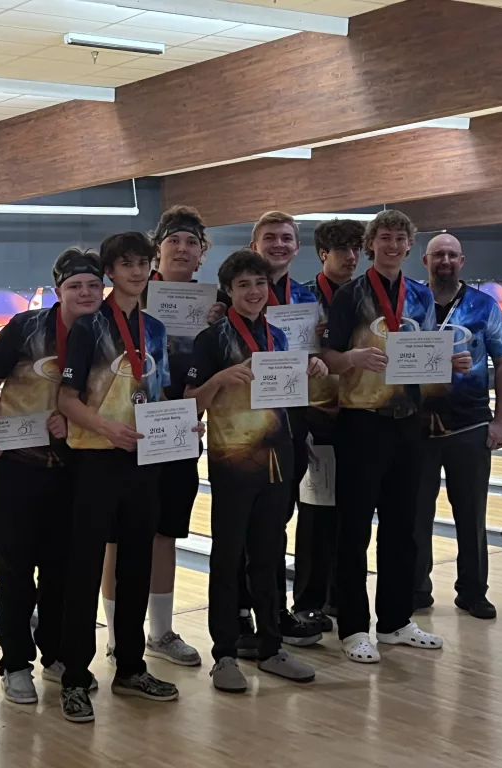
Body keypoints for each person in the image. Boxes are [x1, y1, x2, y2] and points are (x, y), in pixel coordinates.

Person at [319, 210, 471, 665]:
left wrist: (451, 364)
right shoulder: (350, 295)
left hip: (408, 422)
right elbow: (325, 354)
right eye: (383, 237)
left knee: (404, 526)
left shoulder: (421, 296)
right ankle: (352, 627)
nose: (391, 245)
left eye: (399, 238)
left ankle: (394, 621)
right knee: (354, 530)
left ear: (409, 246)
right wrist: (350, 359)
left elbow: (424, 356)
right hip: (361, 421)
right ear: (372, 244)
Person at [185, 248, 328, 692]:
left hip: (277, 460)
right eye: (244, 284)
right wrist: (218, 381)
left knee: (268, 556)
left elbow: (285, 393)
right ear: (228, 291)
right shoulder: (211, 340)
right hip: (232, 462)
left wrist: (313, 368)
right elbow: (190, 400)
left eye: (260, 284)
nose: (253, 291)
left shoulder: (279, 337)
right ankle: (224, 654)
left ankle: (271, 647)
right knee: (228, 558)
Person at [56, 231, 178, 723]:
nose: (136, 271)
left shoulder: (155, 329)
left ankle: (130, 666)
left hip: (143, 460)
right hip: (97, 460)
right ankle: (74, 678)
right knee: (84, 569)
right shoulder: (89, 326)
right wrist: (108, 428)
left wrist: (177, 424)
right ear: (111, 271)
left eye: (143, 262)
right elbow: (66, 400)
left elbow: (161, 392)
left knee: (135, 565)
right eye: (125, 263)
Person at [0, 248, 105, 705]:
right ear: (59, 291)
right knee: (13, 572)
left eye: (93, 285)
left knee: (61, 572)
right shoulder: (26, 328)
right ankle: (14, 663)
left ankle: (55, 654)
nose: (85, 293)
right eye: (75, 286)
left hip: (73, 470)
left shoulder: (106, 333)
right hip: (16, 468)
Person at [100, 206, 222, 668]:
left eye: (192, 242)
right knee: (117, 537)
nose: (183, 249)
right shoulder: (129, 300)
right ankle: (115, 635)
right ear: (157, 252)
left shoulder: (218, 307)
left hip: (178, 429)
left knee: (164, 533)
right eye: (174, 241)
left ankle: (162, 631)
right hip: (125, 431)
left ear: (202, 253)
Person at [414, 233, 502, 620]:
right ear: (425, 260)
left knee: (471, 515)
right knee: (416, 513)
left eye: (451, 255)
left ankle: (472, 591)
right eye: (438, 254)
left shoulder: (483, 306)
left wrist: (501, 420)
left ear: (462, 261)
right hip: (418, 425)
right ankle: (416, 588)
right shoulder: (412, 303)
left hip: (470, 424)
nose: (445, 260)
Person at [245, 211, 322, 651]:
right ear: (255, 245)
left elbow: (316, 355)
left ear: (296, 247)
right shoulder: (234, 293)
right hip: (243, 434)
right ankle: (242, 616)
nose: (279, 244)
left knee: (276, 525)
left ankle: (274, 615)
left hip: (290, 426)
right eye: (270, 238)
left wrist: (320, 359)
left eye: (286, 238)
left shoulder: (306, 299)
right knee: (244, 530)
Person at [292, 218, 365, 632]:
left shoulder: (364, 296)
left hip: (359, 415)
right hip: (317, 415)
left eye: (356, 249)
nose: (351, 257)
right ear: (323, 254)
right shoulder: (302, 299)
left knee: (350, 513)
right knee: (316, 515)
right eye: (342, 250)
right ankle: (308, 601)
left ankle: (342, 597)